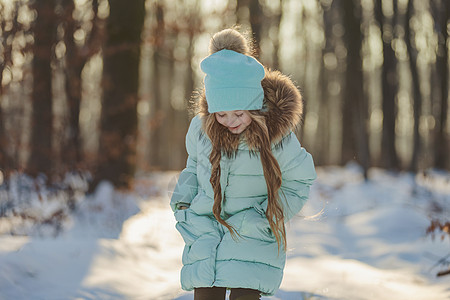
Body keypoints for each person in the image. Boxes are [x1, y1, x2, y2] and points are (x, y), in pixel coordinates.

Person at [170, 28, 317, 300]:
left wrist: (268, 215)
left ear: (254, 105)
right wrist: (183, 203)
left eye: (239, 113)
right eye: (222, 114)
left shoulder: (276, 138)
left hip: (252, 235)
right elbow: (193, 166)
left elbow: (300, 181)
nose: (230, 121)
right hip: (206, 232)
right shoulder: (201, 130)